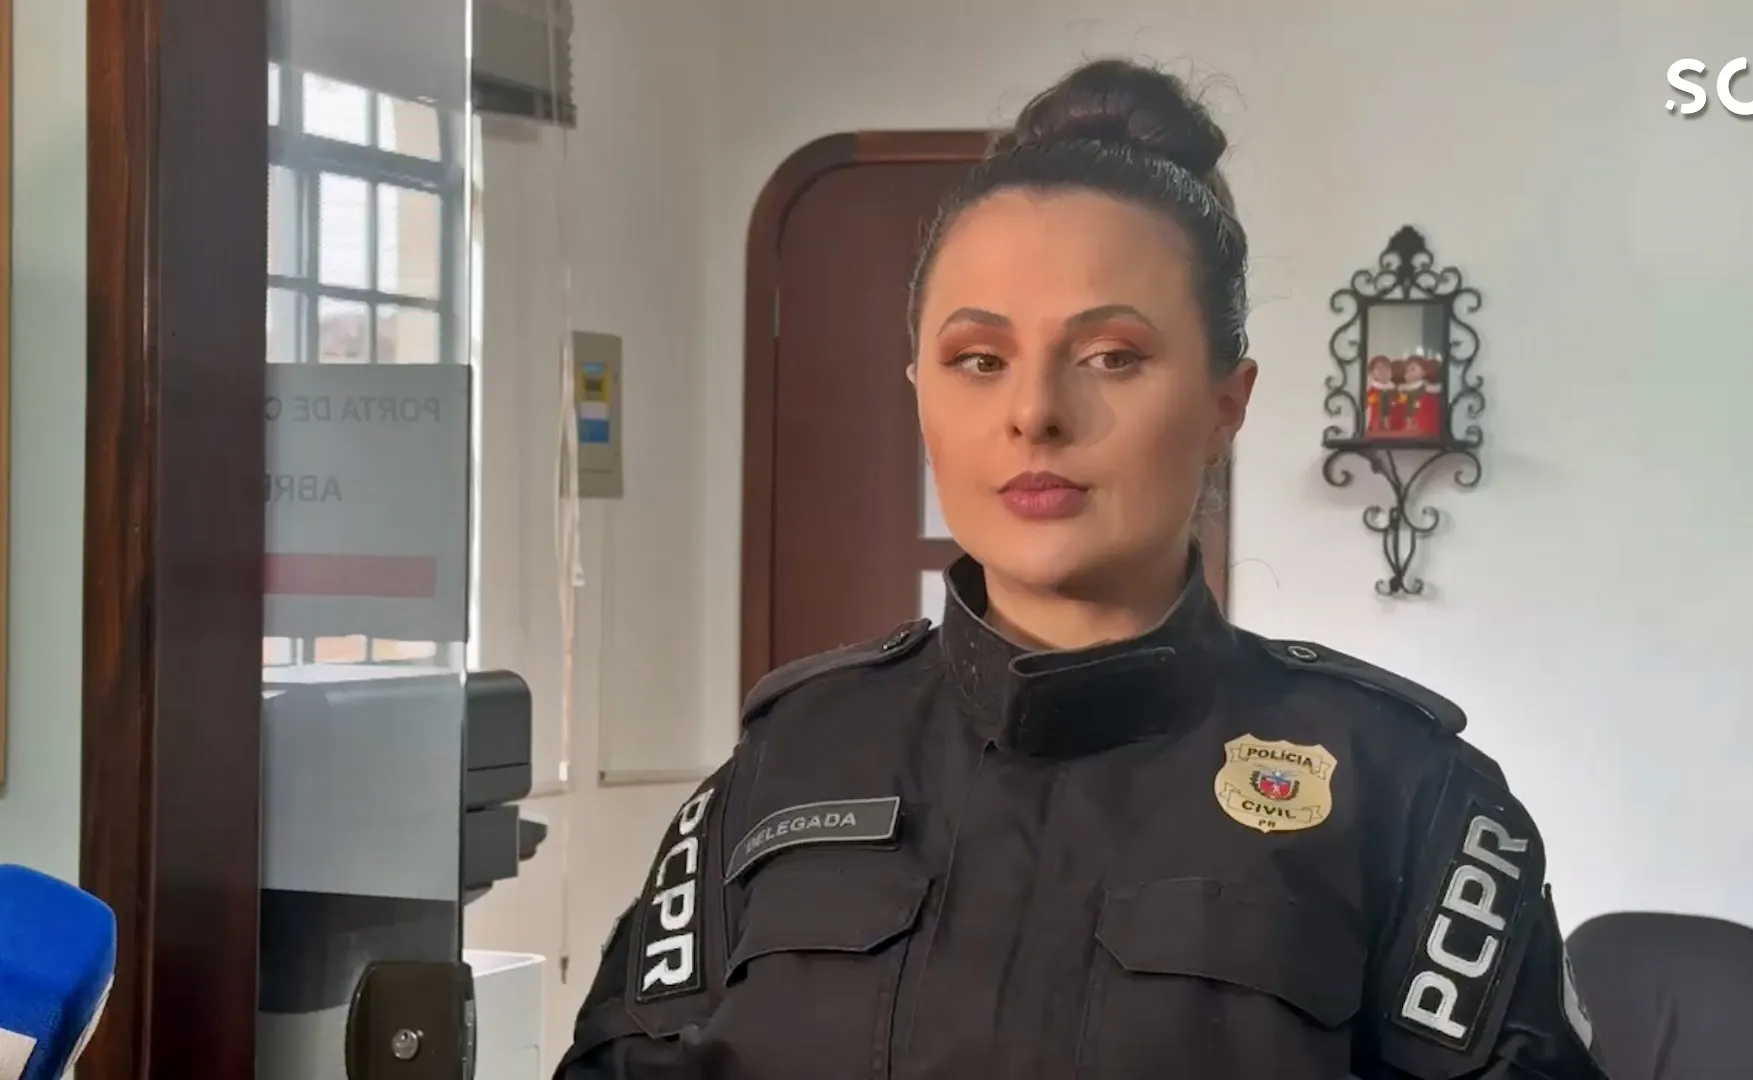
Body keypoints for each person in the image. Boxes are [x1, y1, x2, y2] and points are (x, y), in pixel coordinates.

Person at [555, 58, 1608, 1080]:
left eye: (1112, 356)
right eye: (979, 360)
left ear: (1224, 405)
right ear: (921, 391)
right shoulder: (788, 760)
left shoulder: (1406, 793)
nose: (1035, 412)